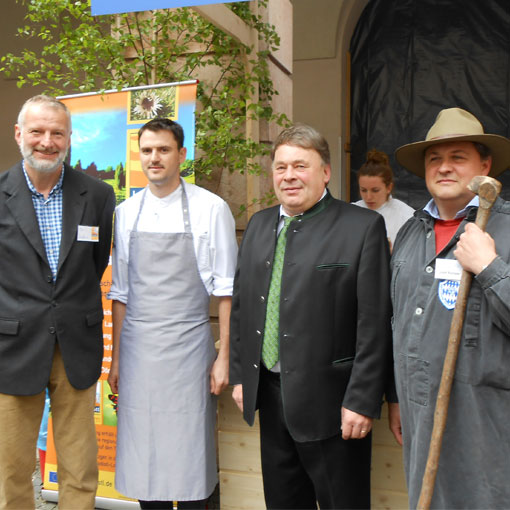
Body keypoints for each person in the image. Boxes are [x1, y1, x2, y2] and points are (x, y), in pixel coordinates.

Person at [230, 124, 393, 509]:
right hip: (270, 398)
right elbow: (243, 306)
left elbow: (374, 323)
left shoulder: (363, 227)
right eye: (280, 167)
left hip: (334, 407)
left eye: (300, 166)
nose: (289, 176)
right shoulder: (258, 224)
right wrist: (241, 376)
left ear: (325, 172)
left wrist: (362, 400)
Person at [108, 118, 238, 509]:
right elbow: (121, 293)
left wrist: (224, 356)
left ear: (182, 154)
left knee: (190, 457)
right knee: (146, 459)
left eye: (163, 149)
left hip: (188, 349)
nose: (154, 158)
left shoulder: (211, 209)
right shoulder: (126, 212)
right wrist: (116, 359)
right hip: (139, 351)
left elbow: (227, 290)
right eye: (147, 150)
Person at [0, 94, 115, 510]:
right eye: (37, 131)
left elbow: (95, 262)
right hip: (13, 347)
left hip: (76, 346)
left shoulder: (98, 195)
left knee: (80, 468)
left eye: (57, 133)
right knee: (11, 468)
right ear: (19, 135)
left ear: (69, 138)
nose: (47, 141)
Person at [391, 107, 510, 509]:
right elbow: (398, 321)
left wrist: (490, 268)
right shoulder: (410, 232)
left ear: (485, 165)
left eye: (458, 157)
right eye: (434, 158)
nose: (444, 167)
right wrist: (396, 398)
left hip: (488, 428)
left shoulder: (506, 230)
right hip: (418, 417)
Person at [353, 148, 414, 249]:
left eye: (375, 190)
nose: (368, 197)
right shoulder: (352, 212)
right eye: (363, 190)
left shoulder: (406, 216)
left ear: (389, 188)